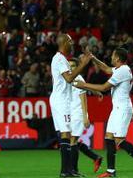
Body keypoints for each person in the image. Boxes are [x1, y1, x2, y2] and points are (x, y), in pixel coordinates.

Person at [73, 48, 133, 178]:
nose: (111, 57)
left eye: (113, 55)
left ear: (117, 59)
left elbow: (104, 87)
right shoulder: (120, 70)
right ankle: (111, 171)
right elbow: (107, 69)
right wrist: (93, 58)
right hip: (117, 108)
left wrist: (84, 85)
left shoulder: (123, 71)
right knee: (109, 137)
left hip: (123, 108)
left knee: (119, 140)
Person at [50, 34, 93, 178]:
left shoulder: (61, 59)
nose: (72, 43)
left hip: (62, 100)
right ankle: (65, 171)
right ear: (63, 42)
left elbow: (74, 81)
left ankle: (66, 170)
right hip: (61, 100)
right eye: (70, 40)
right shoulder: (60, 59)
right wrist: (83, 64)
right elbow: (69, 79)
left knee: (66, 134)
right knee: (66, 134)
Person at [68, 58, 103, 175]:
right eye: (69, 66)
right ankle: (95, 157)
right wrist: (95, 91)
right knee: (71, 140)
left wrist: (85, 117)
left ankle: (74, 170)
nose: (70, 68)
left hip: (78, 113)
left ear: (78, 67)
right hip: (71, 113)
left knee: (72, 140)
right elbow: (84, 87)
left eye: (73, 66)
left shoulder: (78, 78)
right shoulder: (71, 78)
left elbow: (83, 99)